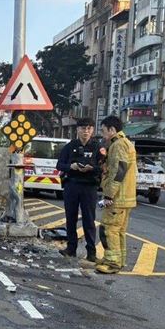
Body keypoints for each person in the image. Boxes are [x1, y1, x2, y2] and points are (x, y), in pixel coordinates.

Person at [56, 118, 103, 263]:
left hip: (89, 187)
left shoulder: (98, 148)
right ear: (77, 130)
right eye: (83, 128)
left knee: (89, 220)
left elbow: (103, 167)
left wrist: (91, 168)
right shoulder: (70, 146)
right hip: (72, 185)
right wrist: (72, 167)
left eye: (89, 128)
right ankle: (71, 248)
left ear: (92, 130)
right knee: (71, 218)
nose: (86, 131)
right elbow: (59, 165)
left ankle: (91, 252)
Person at [96, 115, 137, 274]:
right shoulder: (124, 143)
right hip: (125, 197)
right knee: (118, 231)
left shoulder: (118, 145)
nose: (102, 133)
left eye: (103, 130)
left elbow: (119, 171)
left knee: (109, 229)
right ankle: (117, 260)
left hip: (117, 198)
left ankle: (112, 263)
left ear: (112, 130)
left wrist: (109, 195)